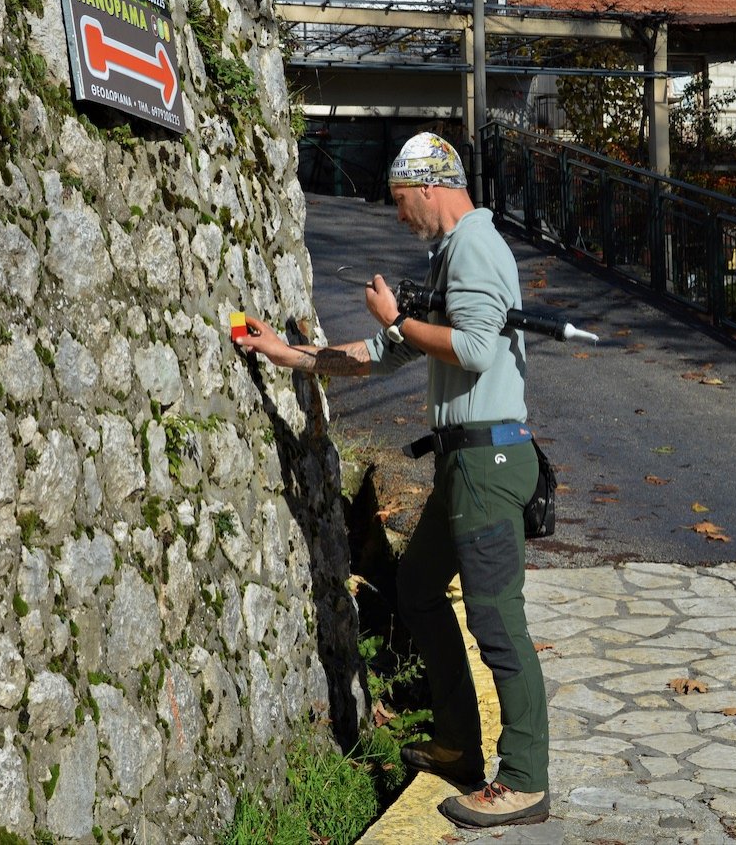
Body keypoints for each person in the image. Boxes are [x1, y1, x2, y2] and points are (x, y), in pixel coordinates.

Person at [235, 132, 550, 829]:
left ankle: (525, 777)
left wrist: (399, 317)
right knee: (416, 589)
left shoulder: (474, 248)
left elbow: (472, 348)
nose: (398, 213)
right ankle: (460, 746)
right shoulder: (447, 255)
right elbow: (381, 353)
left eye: (401, 200)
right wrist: (285, 352)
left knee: (498, 623)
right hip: (465, 461)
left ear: (430, 187)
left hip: (490, 461)